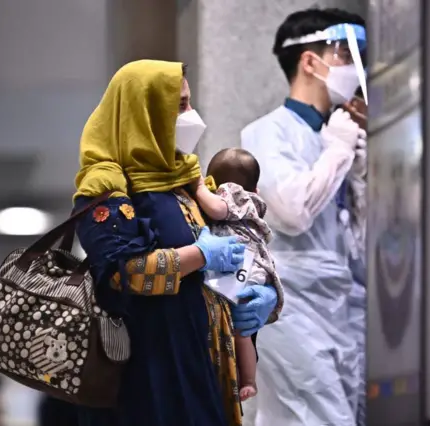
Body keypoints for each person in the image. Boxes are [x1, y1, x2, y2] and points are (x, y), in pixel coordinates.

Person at [73, 60, 279, 426]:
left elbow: (239, 245)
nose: (192, 115)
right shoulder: (106, 187)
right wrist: (200, 254)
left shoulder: (184, 180)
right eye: (180, 105)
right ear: (145, 112)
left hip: (203, 361)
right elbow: (125, 272)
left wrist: (263, 300)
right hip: (150, 371)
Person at [240, 8, 368, 426]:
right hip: (291, 306)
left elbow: (361, 238)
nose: (357, 69)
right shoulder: (265, 133)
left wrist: (362, 174)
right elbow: (292, 212)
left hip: (342, 305)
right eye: (347, 56)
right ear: (309, 61)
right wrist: (338, 152)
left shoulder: (337, 135)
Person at [192, 147, 284, 402]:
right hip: (247, 269)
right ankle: (249, 380)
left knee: (240, 330)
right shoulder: (252, 202)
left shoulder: (231, 194)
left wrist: (199, 188)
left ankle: (248, 381)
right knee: (242, 333)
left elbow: (219, 210)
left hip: (239, 270)